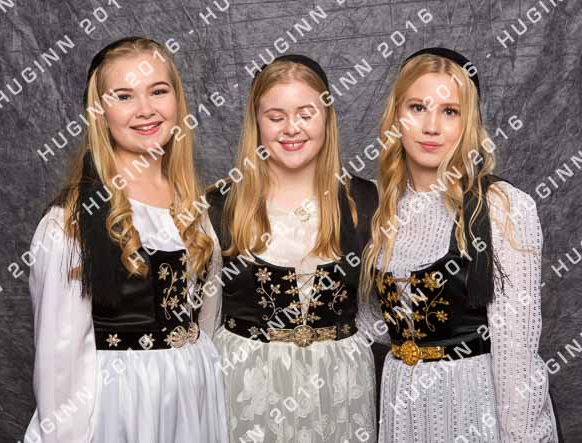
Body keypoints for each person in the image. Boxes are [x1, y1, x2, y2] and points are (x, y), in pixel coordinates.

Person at [24, 36, 227, 443]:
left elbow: (206, 320)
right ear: (100, 113)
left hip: (193, 396)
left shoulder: (194, 208)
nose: (146, 109)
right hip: (122, 406)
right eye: (124, 96)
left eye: (158, 91)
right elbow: (60, 364)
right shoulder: (69, 224)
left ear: (177, 101)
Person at [358, 47, 558, 442]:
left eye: (450, 111)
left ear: (469, 123)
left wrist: (523, 436)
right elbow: (372, 323)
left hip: (472, 401)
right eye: (418, 107)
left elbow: (516, 354)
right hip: (402, 402)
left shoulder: (500, 207)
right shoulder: (380, 207)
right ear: (396, 116)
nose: (431, 126)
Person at [207, 54, 379, 442]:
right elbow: (203, 319)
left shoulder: (365, 200)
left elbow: (382, 309)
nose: (291, 128)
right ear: (256, 122)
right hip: (248, 385)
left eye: (306, 114)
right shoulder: (220, 205)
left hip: (340, 387)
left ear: (327, 118)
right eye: (276, 116)